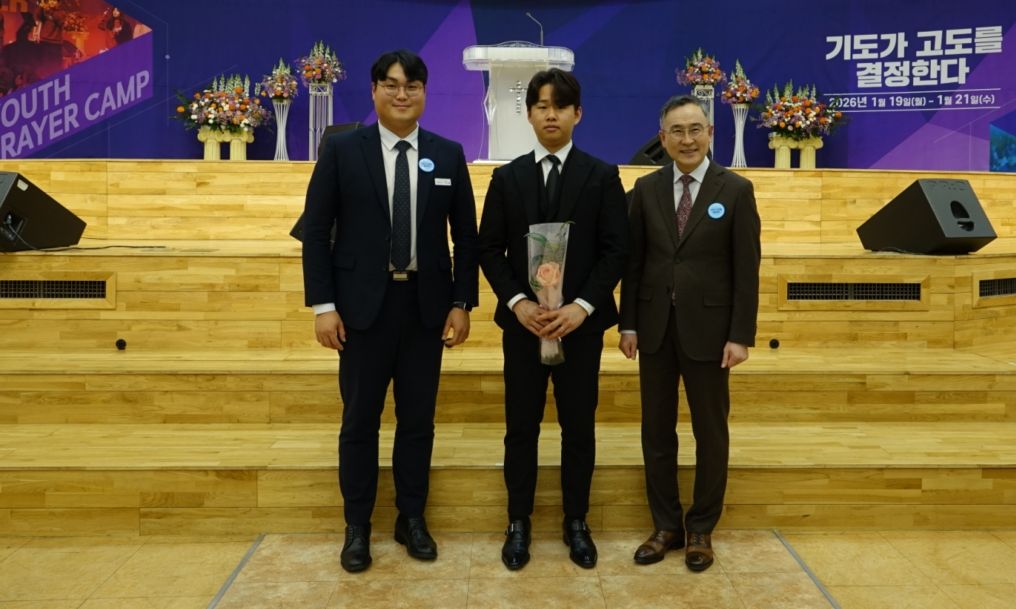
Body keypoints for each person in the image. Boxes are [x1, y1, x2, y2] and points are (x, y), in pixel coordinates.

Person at [301, 49, 479, 574]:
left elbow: (466, 238)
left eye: (412, 86)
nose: (403, 94)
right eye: (392, 85)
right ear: (375, 90)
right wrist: (324, 306)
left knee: (417, 421)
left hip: (426, 308)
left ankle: (411, 518)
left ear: (425, 92)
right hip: (361, 311)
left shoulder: (447, 154)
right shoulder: (342, 149)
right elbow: (316, 231)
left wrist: (461, 302)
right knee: (360, 421)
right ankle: (357, 526)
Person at [478, 68, 628, 571]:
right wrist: (519, 303)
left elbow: (616, 250)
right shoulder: (507, 178)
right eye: (541, 105)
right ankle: (517, 521)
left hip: (579, 329)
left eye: (560, 106)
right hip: (523, 328)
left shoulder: (602, 175)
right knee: (520, 428)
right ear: (528, 114)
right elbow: (488, 249)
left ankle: (576, 521)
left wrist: (580, 307)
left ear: (577, 114)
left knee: (577, 427)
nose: (551, 114)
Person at [619, 95, 760, 572]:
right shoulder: (645, 189)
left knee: (710, 433)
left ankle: (701, 527)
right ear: (662, 139)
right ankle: (665, 526)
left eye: (695, 129)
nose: (687, 139)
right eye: (677, 131)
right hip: (654, 329)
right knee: (656, 431)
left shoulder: (735, 190)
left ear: (710, 134)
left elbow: (747, 270)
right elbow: (634, 263)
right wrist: (628, 323)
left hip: (711, 333)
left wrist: (740, 335)